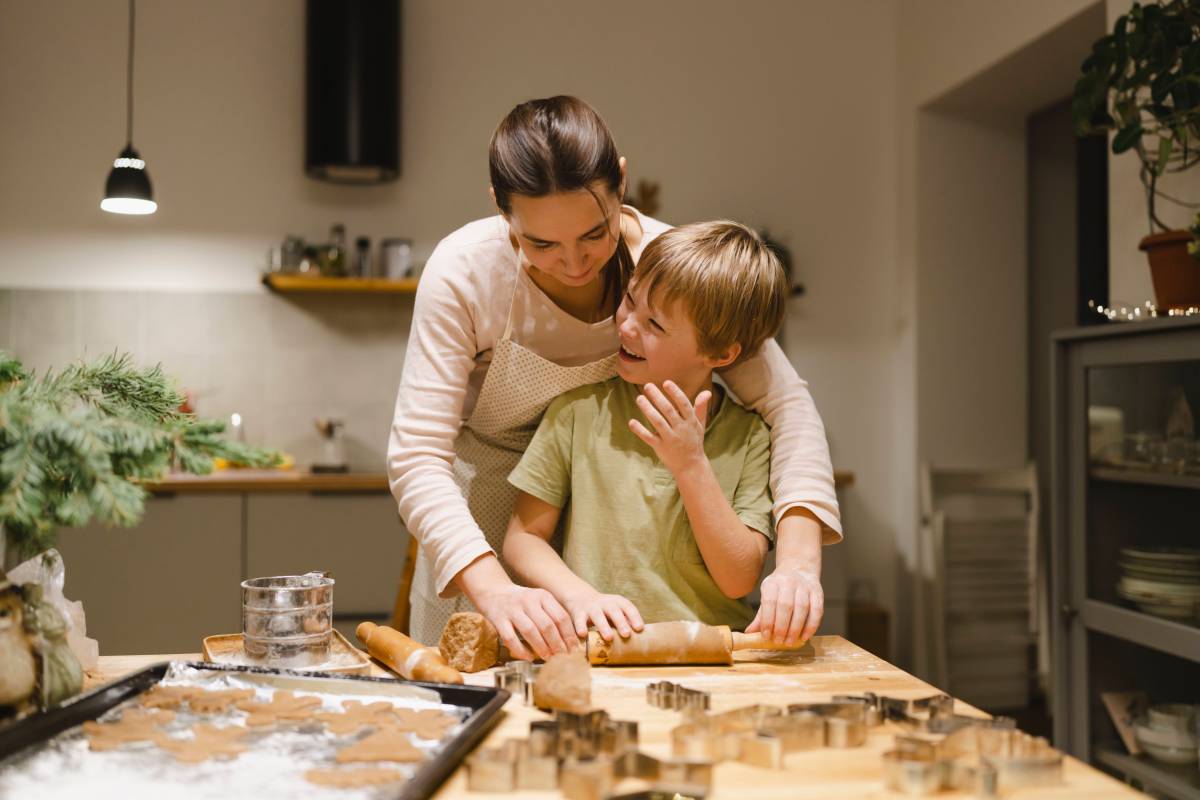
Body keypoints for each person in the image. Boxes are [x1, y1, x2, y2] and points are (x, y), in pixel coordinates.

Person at [387, 95, 841, 659]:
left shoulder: (667, 269)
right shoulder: (465, 271)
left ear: (620, 183)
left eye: (594, 234)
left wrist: (797, 566)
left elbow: (787, 406)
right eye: (541, 244)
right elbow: (416, 456)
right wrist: (495, 588)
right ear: (501, 209)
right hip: (481, 515)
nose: (576, 266)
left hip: (607, 516)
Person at [502, 221, 784, 639]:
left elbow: (739, 579)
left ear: (720, 353)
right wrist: (582, 598)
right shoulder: (576, 414)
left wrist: (691, 465)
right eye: (630, 301)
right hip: (601, 651)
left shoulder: (750, 438)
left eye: (655, 325)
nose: (628, 326)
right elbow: (522, 538)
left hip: (713, 660)